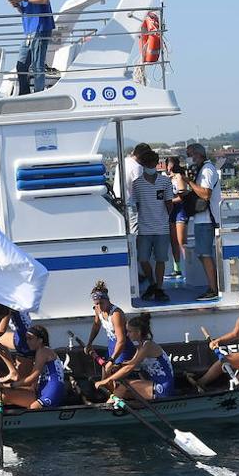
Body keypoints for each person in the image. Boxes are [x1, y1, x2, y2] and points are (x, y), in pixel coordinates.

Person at [2, 0, 54, 95]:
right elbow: (24, 9)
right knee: (21, 65)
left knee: (38, 64)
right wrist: (17, 5)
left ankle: (38, 94)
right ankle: (24, 94)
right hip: (29, 29)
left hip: (41, 27)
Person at [98, 313, 176, 401]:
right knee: (124, 392)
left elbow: (129, 368)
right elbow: (130, 363)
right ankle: (115, 406)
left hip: (163, 387)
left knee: (124, 386)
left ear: (138, 332)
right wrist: (117, 366)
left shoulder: (148, 346)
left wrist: (106, 380)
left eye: (129, 331)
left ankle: (106, 409)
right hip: (155, 384)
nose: (127, 335)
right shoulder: (141, 346)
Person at [130, 148, 174, 302]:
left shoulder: (165, 181)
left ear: (156, 163)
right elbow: (136, 205)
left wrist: (165, 219)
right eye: (147, 163)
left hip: (162, 227)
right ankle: (154, 284)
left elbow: (169, 203)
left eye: (152, 163)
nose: (150, 166)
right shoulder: (137, 184)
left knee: (161, 259)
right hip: (144, 228)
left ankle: (159, 287)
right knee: (143, 259)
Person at [0, 325, 67, 410]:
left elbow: (33, 378)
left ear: (40, 340)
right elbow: (32, 385)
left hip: (52, 391)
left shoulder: (43, 351)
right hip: (42, 390)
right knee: (4, 395)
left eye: (30, 339)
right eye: (26, 339)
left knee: (33, 408)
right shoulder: (39, 353)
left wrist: (10, 385)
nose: (27, 342)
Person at [186, 143, 223, 301]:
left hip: (207, 220)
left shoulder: (207, 170)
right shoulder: (204, 169)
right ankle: (213, 286)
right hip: (203, 219)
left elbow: (206, 194)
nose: (190, 159)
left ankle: (213, 288)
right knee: (203, 254)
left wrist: (189, 182)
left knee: (205, 254)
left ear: (198, 154)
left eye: (191, 155)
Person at [84, 281, 133, 365]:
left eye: (101, 303)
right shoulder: (97, 309)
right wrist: (89, 343)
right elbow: (96, 325)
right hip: (111, 345)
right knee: (106, 374)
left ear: (107, 300)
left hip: (123, 349)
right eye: (96, 304)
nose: (99, 306)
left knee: (115, 376)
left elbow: (121, 341)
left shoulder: (116, 314)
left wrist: (111, 360)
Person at [166, 156, 190, 283]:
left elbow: (182, 196)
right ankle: (177, 269)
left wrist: (168, 202)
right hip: (172, 211)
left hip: (180, 210)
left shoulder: (180, 177)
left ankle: (188, 269)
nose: (169, 168)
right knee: (173, 241)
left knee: (181, 242)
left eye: (170, 165)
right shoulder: (168, 179)